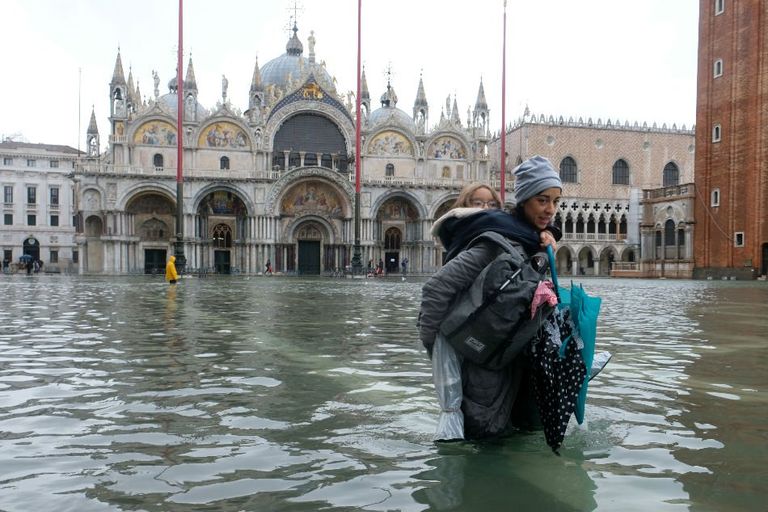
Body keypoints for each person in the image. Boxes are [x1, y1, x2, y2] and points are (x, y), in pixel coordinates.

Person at [418, 156, 562, 440]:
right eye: (543, 200)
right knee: (485, 443)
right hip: (482, 372)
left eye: (556, 202)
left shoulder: (530, 241)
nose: (551, 209)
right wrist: (438, 351)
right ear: (523, 200)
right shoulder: (495, 243)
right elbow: (436, 290)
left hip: (513, 366)